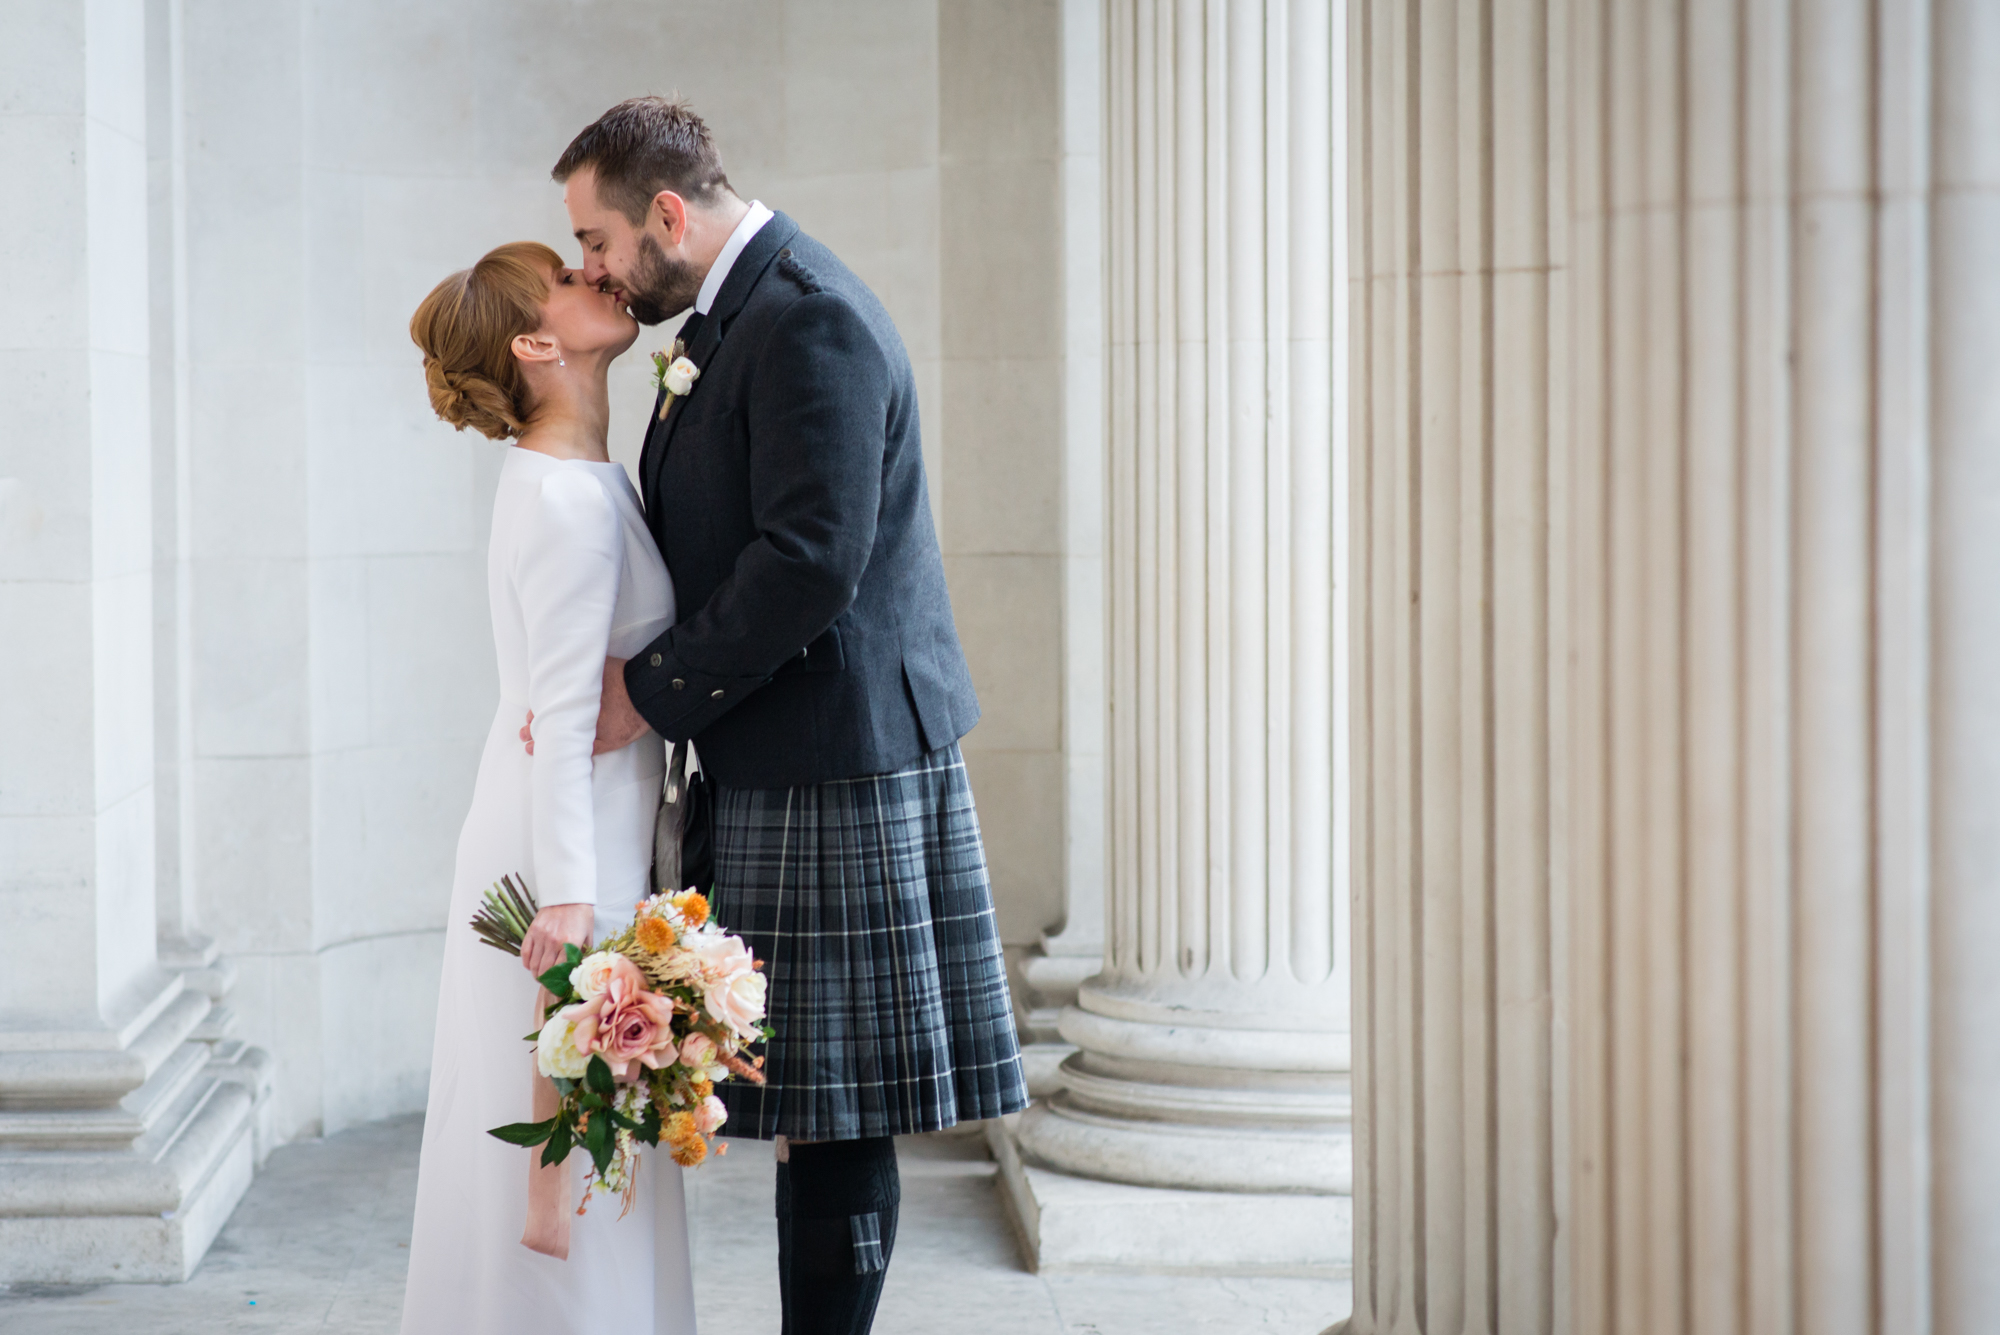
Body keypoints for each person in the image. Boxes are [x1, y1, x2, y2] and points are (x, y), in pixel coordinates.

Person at [542, 95, 1030, 1333]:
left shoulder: (806, 319)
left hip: (838, 755)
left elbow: (811, 560)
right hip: (788, 744)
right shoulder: (734, 316)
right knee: (808, 1101)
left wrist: (648, 691)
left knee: (833, 1105)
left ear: (665, 213)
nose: (590, 267)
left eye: (597, 240)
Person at [398, 242, 696, 1333]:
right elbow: (566, 716)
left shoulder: (566, 478)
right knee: (574, 1158)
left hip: (562, 823)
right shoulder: (565, 499)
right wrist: (573, 910)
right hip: (565, 853)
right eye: (569, 282)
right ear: (537, 344)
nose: (601, 281)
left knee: (584, 1153)